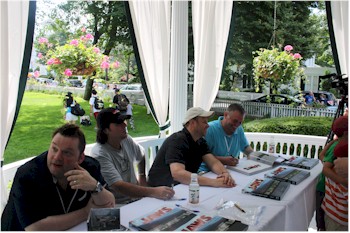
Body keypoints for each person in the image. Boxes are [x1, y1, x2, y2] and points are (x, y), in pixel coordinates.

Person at [1, 124, 115, 231]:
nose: (57, 157)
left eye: (67, 153)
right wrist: (86, 212)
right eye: (54, 149)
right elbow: (34, 228)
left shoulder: (90, 167)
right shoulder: (27, 176)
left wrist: (95, 186)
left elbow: (110, 204)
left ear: (80, 158)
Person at [90, 108, 174, 204]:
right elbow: (118, 186)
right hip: (118, 204)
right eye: (119, 123)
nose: (125, 124)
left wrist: (141, 176)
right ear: (105, 130)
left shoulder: (126, 139)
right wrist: (153, 191)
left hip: (137, 198)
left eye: (124, 120)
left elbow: (141, 155)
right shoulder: (100, 154)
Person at [147, 107, 236, 188]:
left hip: (181, 186)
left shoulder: (200, 141)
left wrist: (225, 174)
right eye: (204, 122)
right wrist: (214, 182)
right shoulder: (177, 140)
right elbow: (178, 173)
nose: (208, 125)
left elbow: (213, 162)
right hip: (160, 191)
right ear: (192, 123)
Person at [198, 103, 254, 173]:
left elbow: (245, 148)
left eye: (240, 122)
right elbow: (199, 156)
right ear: (226, 115)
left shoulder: (239, 129)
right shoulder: (209, 129)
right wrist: (223, 160)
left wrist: (255, 156)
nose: (236, 125)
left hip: (230, 171)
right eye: (235, 121)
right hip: (207, 172)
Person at [321, 115, 348, 231]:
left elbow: (322, 157)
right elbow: (325, 169)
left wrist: (329, 144)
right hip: (341, 219)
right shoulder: (341, 147)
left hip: (330, 210)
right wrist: (343, 180)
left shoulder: (336, 145)